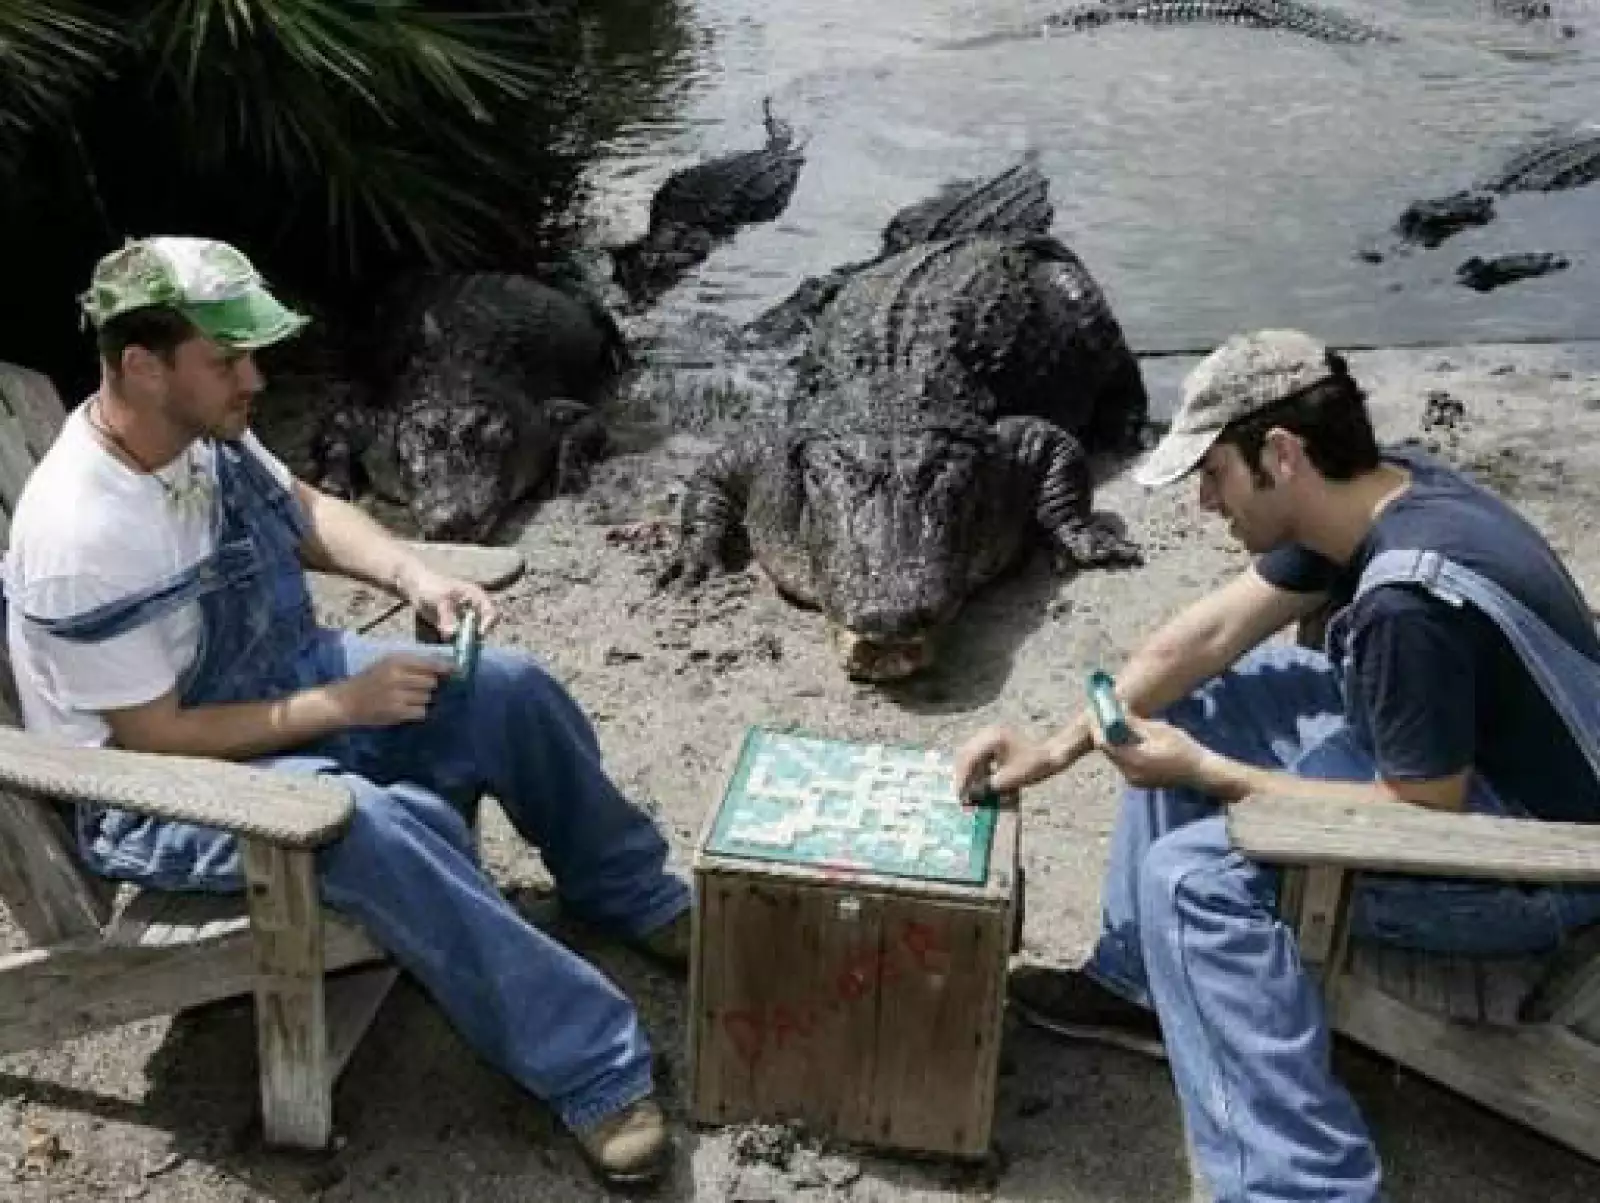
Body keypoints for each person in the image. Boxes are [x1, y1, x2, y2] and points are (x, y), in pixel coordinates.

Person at [3, 236, 690, 1187]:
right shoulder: (86, 531)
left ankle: (633, 893)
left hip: (270, 677)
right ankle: (593, 1068)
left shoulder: (200, 432)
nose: (256, 375)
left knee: (505, 686)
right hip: (158, 790)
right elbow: (154, 739)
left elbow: (312, 512)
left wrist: (418, 571)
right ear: (140, 366)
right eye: (228, 358)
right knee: (376, 825)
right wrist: (342, 704)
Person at [953, 328, 1600, 1203]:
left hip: (1535, 861)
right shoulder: (1385, 490)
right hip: (1473, 765)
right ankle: (1141, 981)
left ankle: (1302, 1187)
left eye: (1214, 474)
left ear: (1280, 455)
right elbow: (1211, 635)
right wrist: (1059, 743)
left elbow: (1423, 816)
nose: (1205, 504)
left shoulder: (1405, 605)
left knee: (1192, 881)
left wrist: (1211, 771)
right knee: (1195, 693)